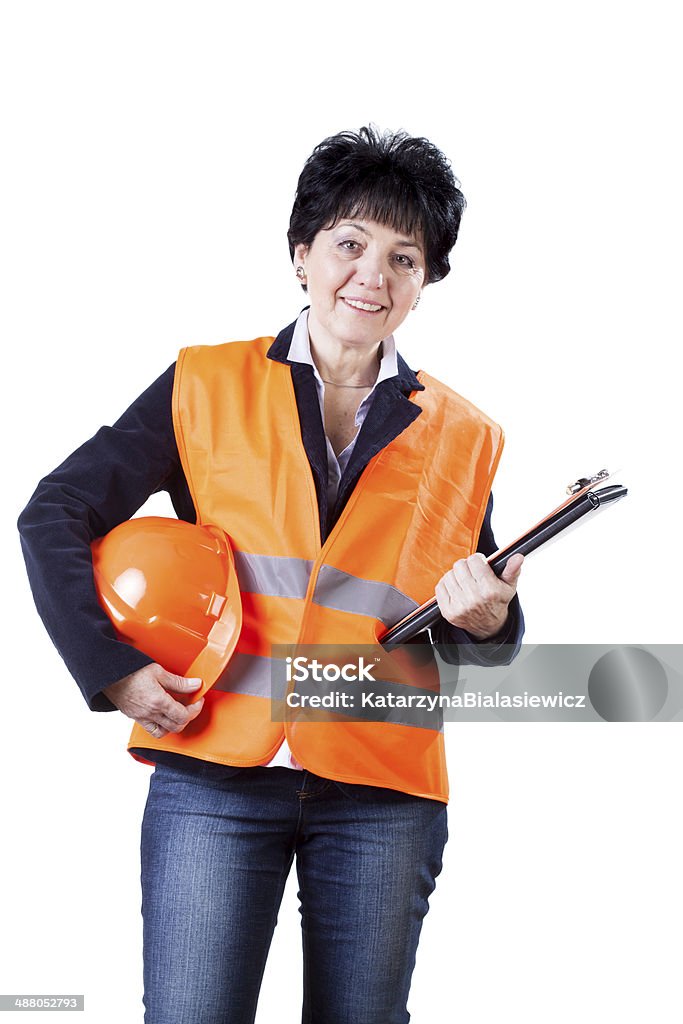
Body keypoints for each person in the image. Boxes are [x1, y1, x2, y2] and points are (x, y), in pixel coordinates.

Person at [18, 125, 524, 1024]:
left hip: (382, 785)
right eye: (349, 244)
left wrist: (489, 621)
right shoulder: (203, 384)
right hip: (214, 772)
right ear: (301, 254)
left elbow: (468, 628)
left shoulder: (465, 433)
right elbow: (54, 510)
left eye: (403, 257)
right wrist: (112, 672)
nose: (372, 274)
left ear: (424, 283)